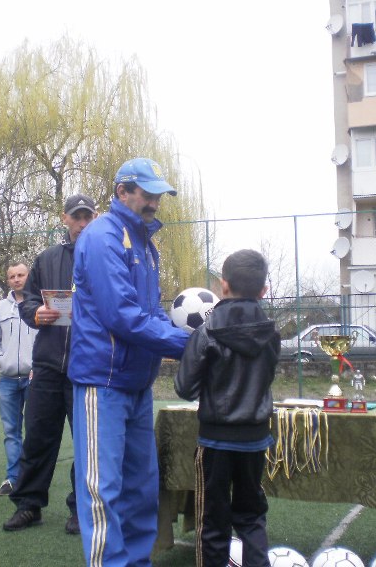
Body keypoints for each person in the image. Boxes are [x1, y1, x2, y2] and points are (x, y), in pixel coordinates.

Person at [69, 158, 191, 566]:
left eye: (159, 195)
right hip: (102, 380)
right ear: (122, 191)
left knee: (142, 487)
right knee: (103, 489)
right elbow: (122, 315)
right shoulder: (102, 236)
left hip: (137, 382)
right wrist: (188, 346)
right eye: (148, 193)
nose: (155, 202)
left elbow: (151, 313)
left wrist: (192, 340)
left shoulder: (145, 244)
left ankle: (137, 561)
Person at [174, 249, 280, 567]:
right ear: (263, 290)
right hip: (255, 439)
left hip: (216, 441)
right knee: (251, 516)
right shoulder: (272, 333)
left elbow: (184, 388)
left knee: (213, 520)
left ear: (223, 285)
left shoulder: (206, 331)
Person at [2, 193, 97, 534]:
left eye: (87, 217)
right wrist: (36, 313)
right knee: (38, 439)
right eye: (76, 217)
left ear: (95, 218)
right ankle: (29, 505)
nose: (82, 223)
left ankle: (81, 508)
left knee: (85, 444)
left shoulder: (104, 257)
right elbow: (27, 301)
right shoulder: (46, 258)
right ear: (64, 218)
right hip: (46, 367)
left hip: (86, 368)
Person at [0, 262, 37, 496]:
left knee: (35, 431)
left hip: (35, 379)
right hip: (7, 379)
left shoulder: (40, 305)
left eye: (21, 275)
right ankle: (13, 479)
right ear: (8, 281)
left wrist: (40, 365)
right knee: (11, 431)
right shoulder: (0, 308)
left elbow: (50, 337)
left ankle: (31, 479)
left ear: (29, 276)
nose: (17, 279)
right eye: (12, 276)